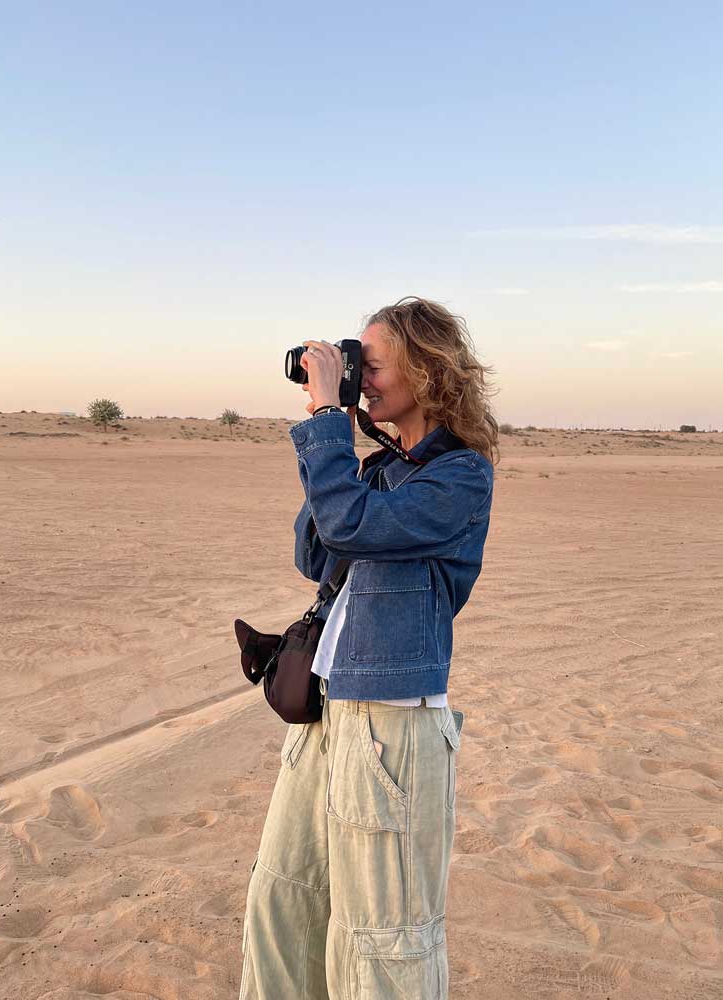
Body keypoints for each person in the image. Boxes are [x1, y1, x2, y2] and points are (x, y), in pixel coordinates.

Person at [239, 296, 499, 999]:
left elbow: (351, 526)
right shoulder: (384, 471)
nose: (361, 379)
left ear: (428, 369)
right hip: (329, 717)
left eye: (371, 365)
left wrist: (327, 424)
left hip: (392, 729)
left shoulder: (460, 477)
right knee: (286, 903)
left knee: (384, 933)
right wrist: (343, 437)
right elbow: (313, 548)